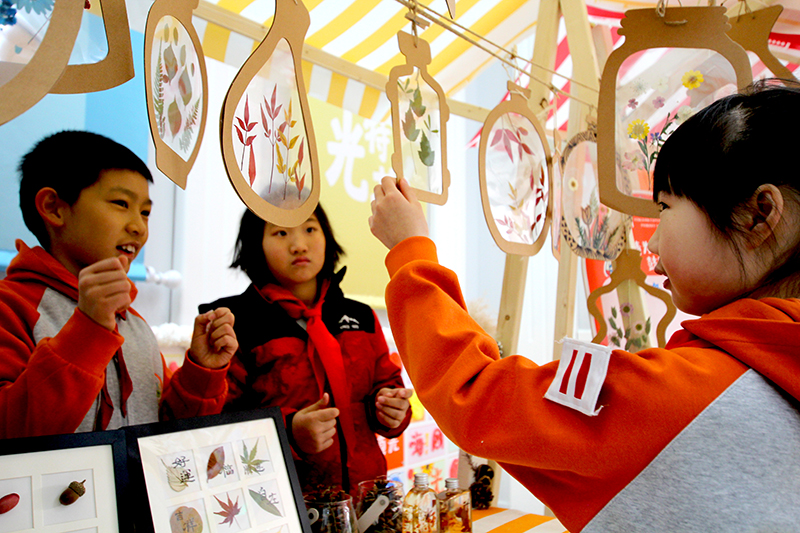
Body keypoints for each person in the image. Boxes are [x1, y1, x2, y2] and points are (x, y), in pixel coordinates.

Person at [369, 79, 800, 532]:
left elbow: (474, 395)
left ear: (757, 214)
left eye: (665, 208)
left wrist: (410, 253)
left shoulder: (677, 394)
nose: (651, 239)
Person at [0, 130, 238, 439]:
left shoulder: (134, 324)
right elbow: (13, 434)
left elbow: (167, 437)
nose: (138, 226)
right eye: (120, 203)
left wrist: (201, 372)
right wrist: (87, 330)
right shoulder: (12, 307)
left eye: (145, 212)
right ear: (53, 207)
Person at [199, 203, 412, 493]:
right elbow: (218, 424)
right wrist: (288, 432)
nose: (299, 245)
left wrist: (389, 407)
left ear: (326, 236)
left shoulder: (360, 316)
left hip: (367, 497)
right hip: (279, 500)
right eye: (281, 233)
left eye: (310, 229)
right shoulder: (231, 321)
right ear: (255, 244)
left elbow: (386, 383)